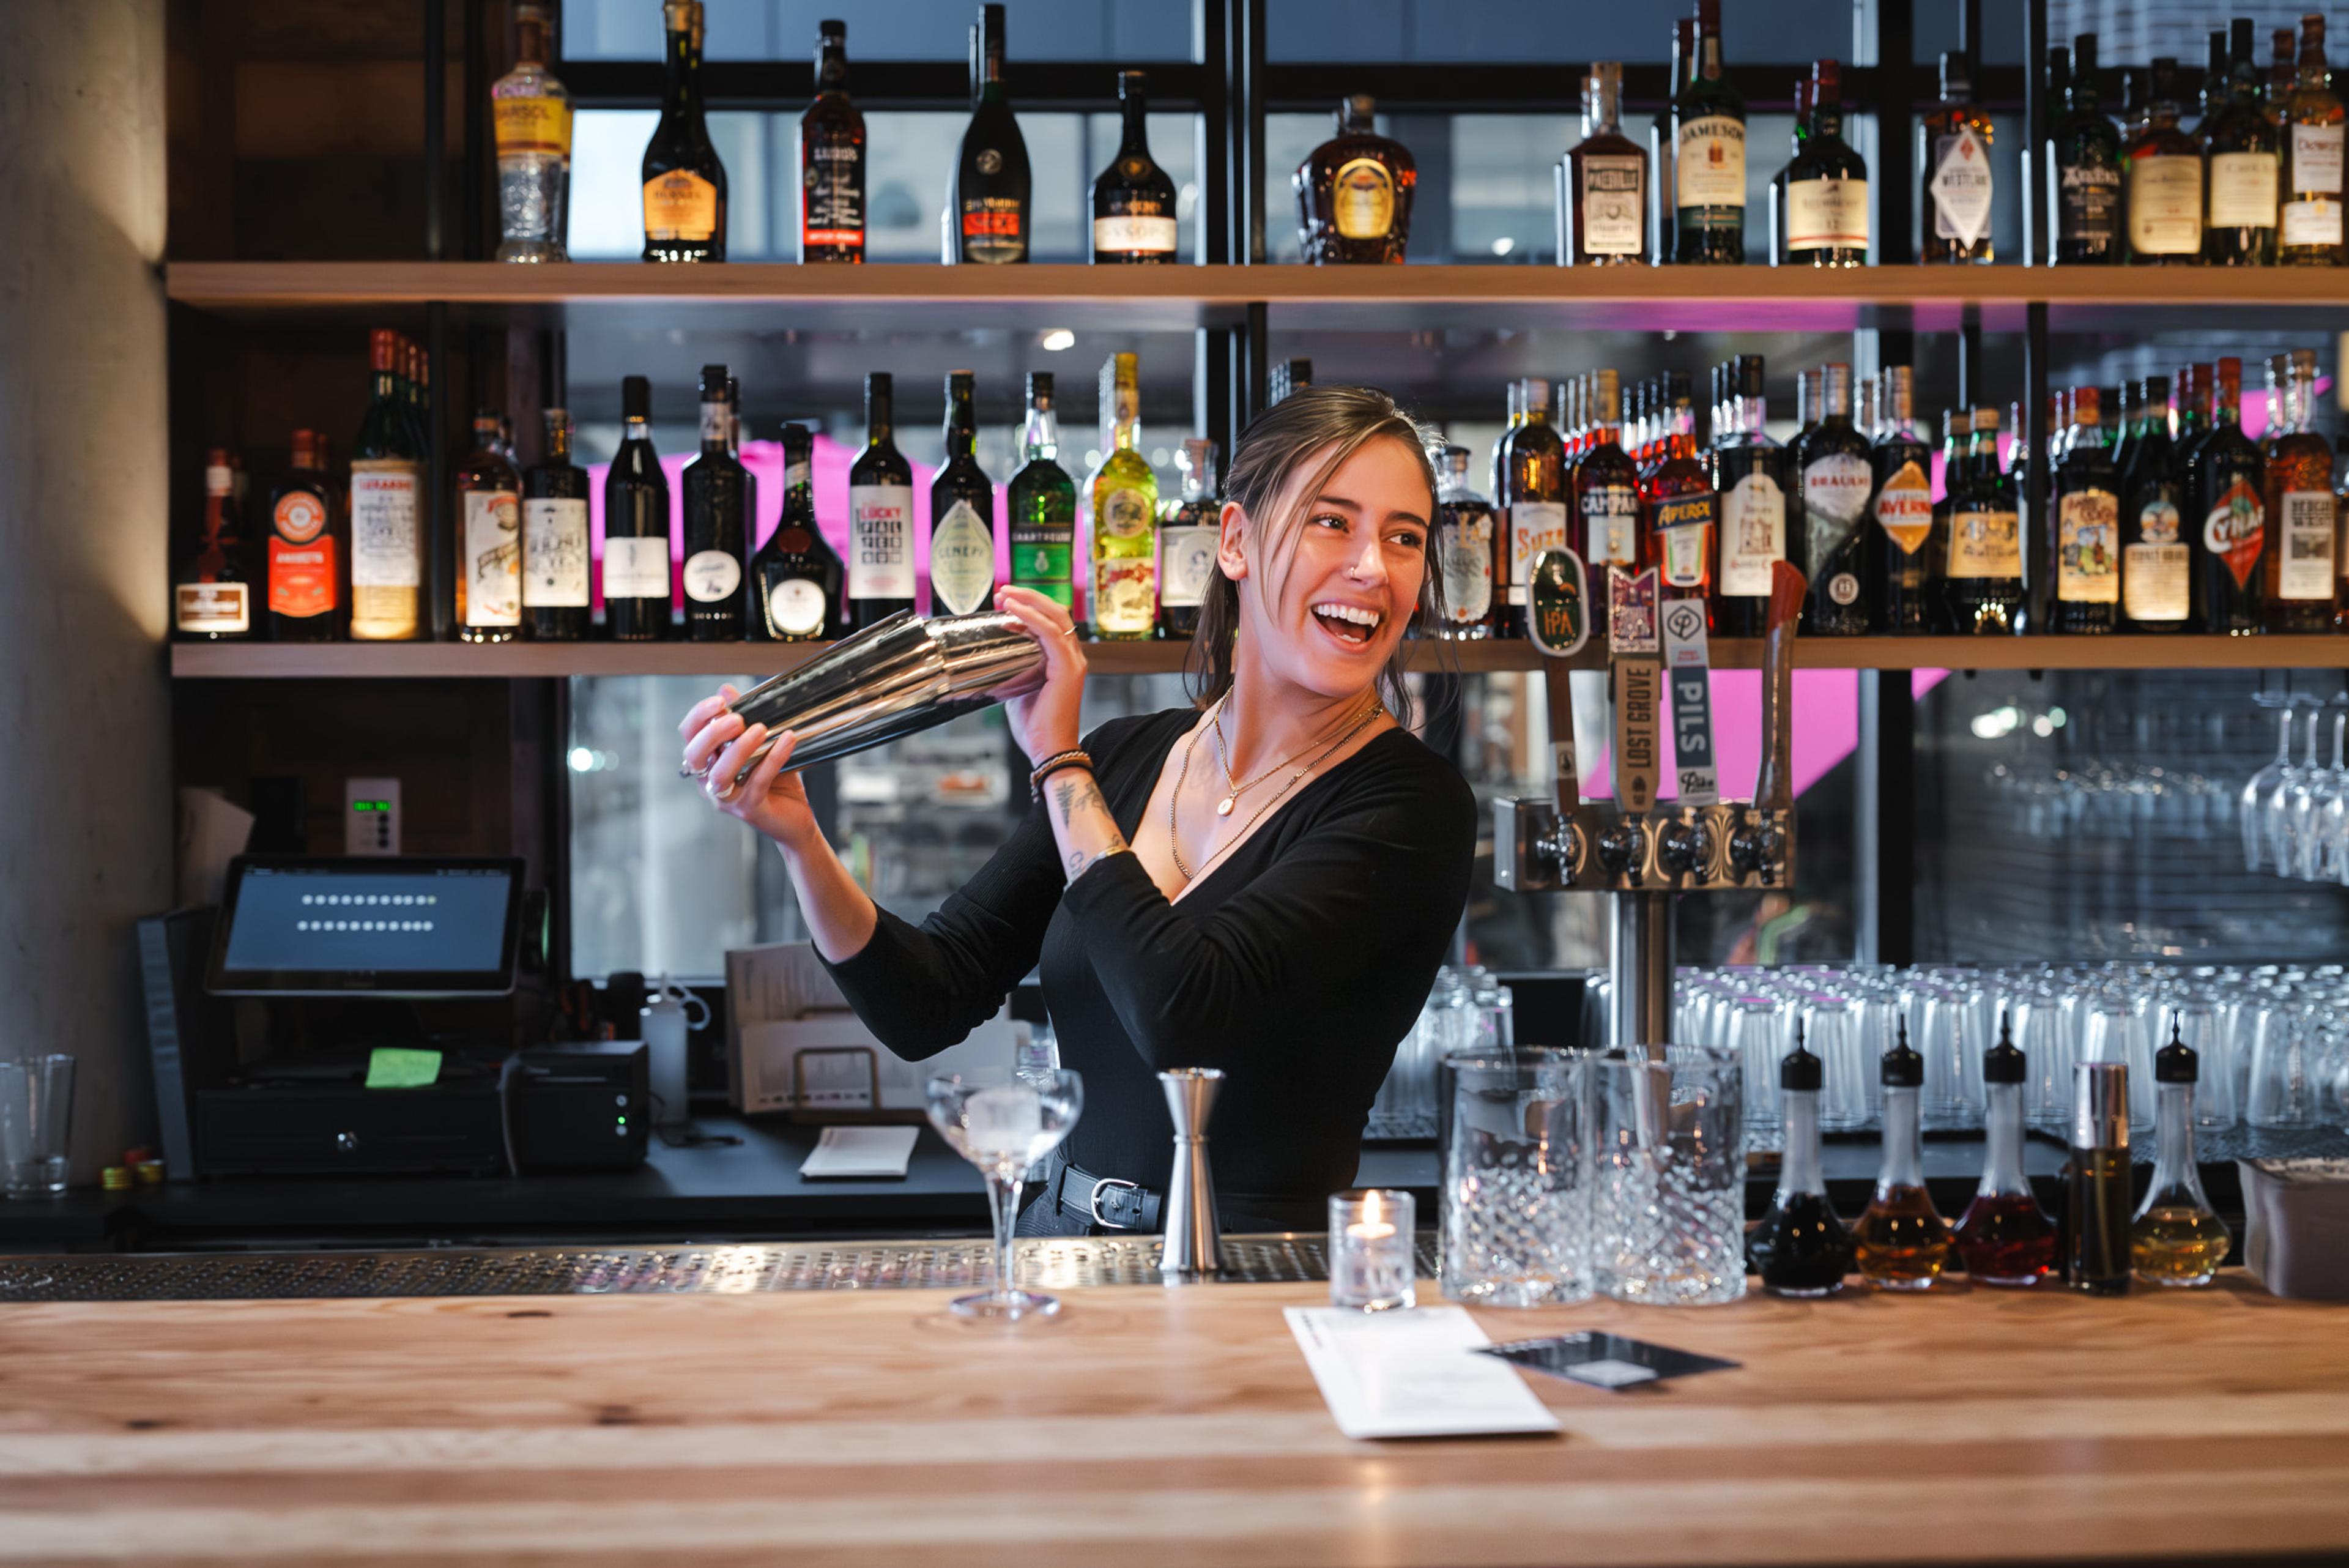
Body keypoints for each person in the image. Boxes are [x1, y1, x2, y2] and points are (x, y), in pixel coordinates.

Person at [679, 384, 1475, 1235]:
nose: (1372, 568)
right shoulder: (1128, 757)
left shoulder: (1412, 806)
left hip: (1255, 1273)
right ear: (1236, 543)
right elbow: (928, 1001)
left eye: (1404, 538)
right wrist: (800, 839)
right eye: (1333, 522)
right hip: (1061, 1243)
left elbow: (1184, 1018)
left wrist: (1058, 761)